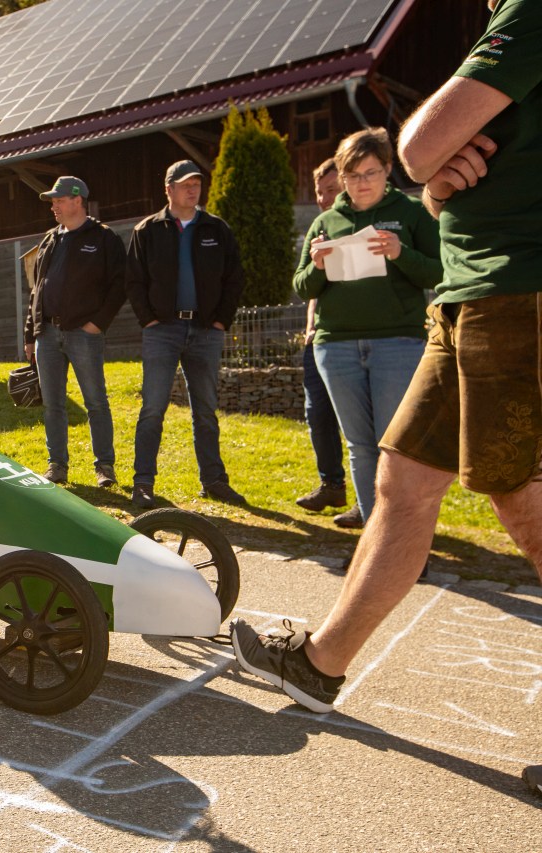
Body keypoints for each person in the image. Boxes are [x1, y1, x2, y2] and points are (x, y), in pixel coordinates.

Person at [231, 0, 542, 801]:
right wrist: (439, 182)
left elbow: (417, 148)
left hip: (517, 290)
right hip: (468, 294)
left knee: (523, 503)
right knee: (401, 484)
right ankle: (319, 664)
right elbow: (439, 186)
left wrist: (423, 162)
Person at [292, 128, 442, 526]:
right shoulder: (326, 221)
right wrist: (318, 264)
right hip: (335, 347)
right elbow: (302, 284)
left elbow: (442, 270)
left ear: (388, 169)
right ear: (341, 177)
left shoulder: (410, 213)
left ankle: (407, 542)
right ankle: (376, 543)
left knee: (396, 447)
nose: (362, 183)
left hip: (397, 343)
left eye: (371, 173)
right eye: (352, 175)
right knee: (360, 446)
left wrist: (400, 252)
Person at [126, 161, 245, 509]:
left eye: (196, 183)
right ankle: (143, 483)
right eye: (184, 184)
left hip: (206, 332)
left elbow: (234, 278)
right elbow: (133, 281)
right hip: (162, 331)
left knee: (205, 410)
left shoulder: (216, 229)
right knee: (152, 408)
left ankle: (214, 481)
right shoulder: (147, 231)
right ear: (169, 189)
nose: (192, 189)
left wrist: (221, 320)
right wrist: (148, 320)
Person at [23, 176, 126, 488]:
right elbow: (36, 289)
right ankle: (57, 466)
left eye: (59, 199)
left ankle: (104, 467)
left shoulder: (104, 238)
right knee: (53, 404)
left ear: (78, 200)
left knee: (95, 402)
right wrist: (31, 333)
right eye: (53, 200)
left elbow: (120, 285)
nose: (53, 205)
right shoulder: (50, 240)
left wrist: (97, 323)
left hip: (84, 334)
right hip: (47, 335)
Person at [296, 159, 363, 529]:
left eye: (330, 190)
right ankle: (331, 486)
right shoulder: (320, 230)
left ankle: (368, 501)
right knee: (317, 414)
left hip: (351, 339)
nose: (323, 198)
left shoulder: (358, 230)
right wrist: (309, 327)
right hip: (317, 339)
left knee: (358, 427)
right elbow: (312, 289)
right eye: (319, 190)